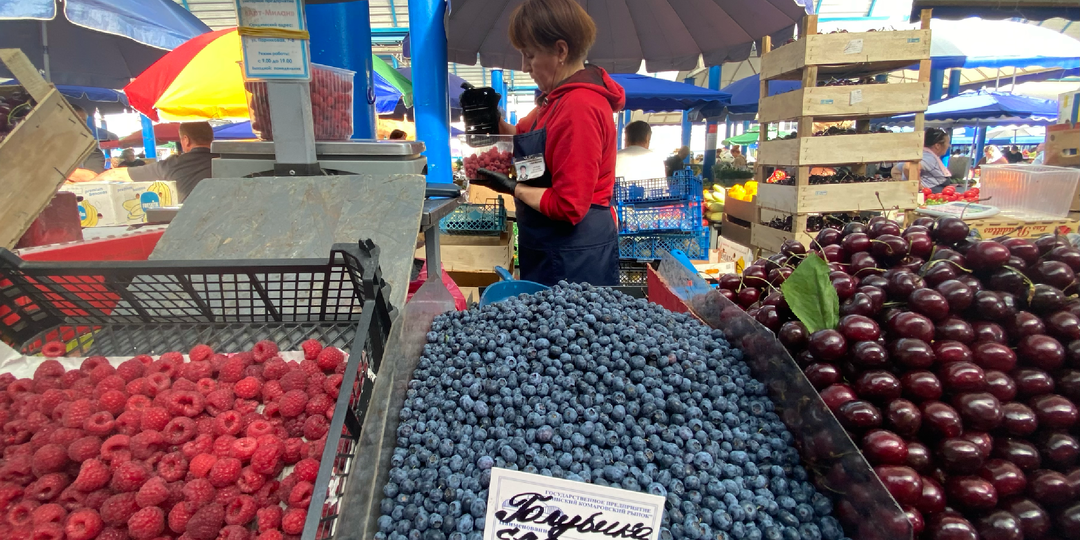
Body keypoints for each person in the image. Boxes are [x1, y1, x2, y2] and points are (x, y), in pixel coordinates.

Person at [471, 0, 626, 286]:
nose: (524, 66)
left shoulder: (579, 106)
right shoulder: (553, 102)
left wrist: (514, 187)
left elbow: (570, 205)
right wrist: (491, 119)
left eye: (529, 56)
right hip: (548, 247)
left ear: (561, 51)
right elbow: (520, 135)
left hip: (575, 256)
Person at [92, 122, 217, 203]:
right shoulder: (227, 160)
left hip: (189, 224)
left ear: (186, 140)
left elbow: (115, 175)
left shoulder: (171, 165)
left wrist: (87, 185)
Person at [65, 104, 108, 182]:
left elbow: (91, 176)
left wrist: (50, 171)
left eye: (83, 121)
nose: (80, 124)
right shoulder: (46, 147)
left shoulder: (92, 151)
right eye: (74, 120)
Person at [903, 127, 951, 193]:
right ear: (937, 145)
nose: (949, 146)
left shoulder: (922, 154)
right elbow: (908, 167)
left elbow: (895, 170)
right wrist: (919, 187)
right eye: (947, 143)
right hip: (929, 197)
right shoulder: (929, 157)